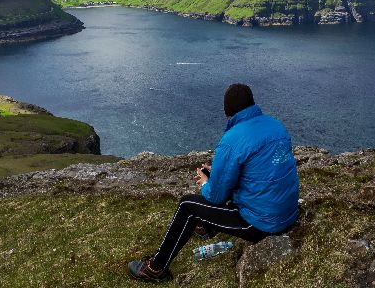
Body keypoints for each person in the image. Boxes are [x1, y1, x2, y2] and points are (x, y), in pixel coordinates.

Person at [127, 83, 300, 283]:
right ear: (252, 104)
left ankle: (155, 268)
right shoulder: (275, 125)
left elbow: (215, 195)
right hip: (287, 213)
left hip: (262, 224)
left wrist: (205, 182)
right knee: (222, 182)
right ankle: (208, 226)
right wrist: (216, 173)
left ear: (227, 111)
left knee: (187, 207)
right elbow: (259, 172)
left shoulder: (232, 139)